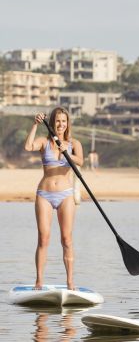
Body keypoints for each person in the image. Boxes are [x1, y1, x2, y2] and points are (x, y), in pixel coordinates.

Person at [24, 107, 84, 290]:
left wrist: (67, 151)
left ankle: (70, 282)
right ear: (52, 123)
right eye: (57, 121)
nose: (60, 124)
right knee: (44, 238)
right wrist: (34, 125)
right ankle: (39, 281)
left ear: (68, 123)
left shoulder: (74, 143)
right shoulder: (44, 142)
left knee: (66, 239)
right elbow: (28, 146)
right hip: (44, 194)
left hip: (65, 195)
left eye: (64, 121)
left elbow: (80, 161)